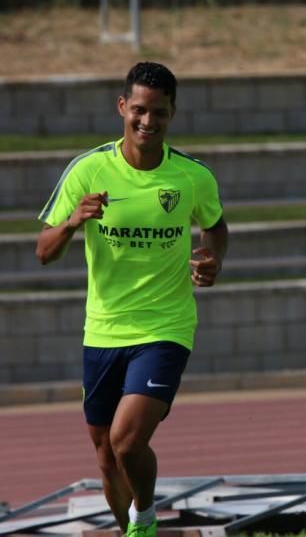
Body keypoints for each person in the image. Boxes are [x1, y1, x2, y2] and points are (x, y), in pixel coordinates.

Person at [35, 62, 228, 537]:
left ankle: (144, 516)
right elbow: (44, 252)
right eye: (139, 110)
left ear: (172, 114)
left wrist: (213, 259)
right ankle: (131, 531)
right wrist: (73, 222)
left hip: (165, 326)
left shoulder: (191, 176)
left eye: (159, 112)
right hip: (103, 330)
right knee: (105, 455)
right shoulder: (88, 170)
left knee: (126, 441)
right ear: (122, 107)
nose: (148, 121)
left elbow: (216, 226)